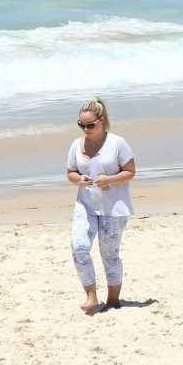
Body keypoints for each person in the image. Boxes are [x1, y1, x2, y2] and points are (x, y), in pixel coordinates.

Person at [66, 97, 136, 314]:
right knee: (79, 247)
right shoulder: (76, 145)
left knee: (109, 255)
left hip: (113, 209)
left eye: (90, 125)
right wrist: (77, 179)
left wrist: (109, 180)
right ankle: (91, 296)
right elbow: (70, 172)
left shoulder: (117, 143)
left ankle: (113, 299)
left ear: (102, 121)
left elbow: (130, 171)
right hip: (85, 205)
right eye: (81, 125)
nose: (85, 129)